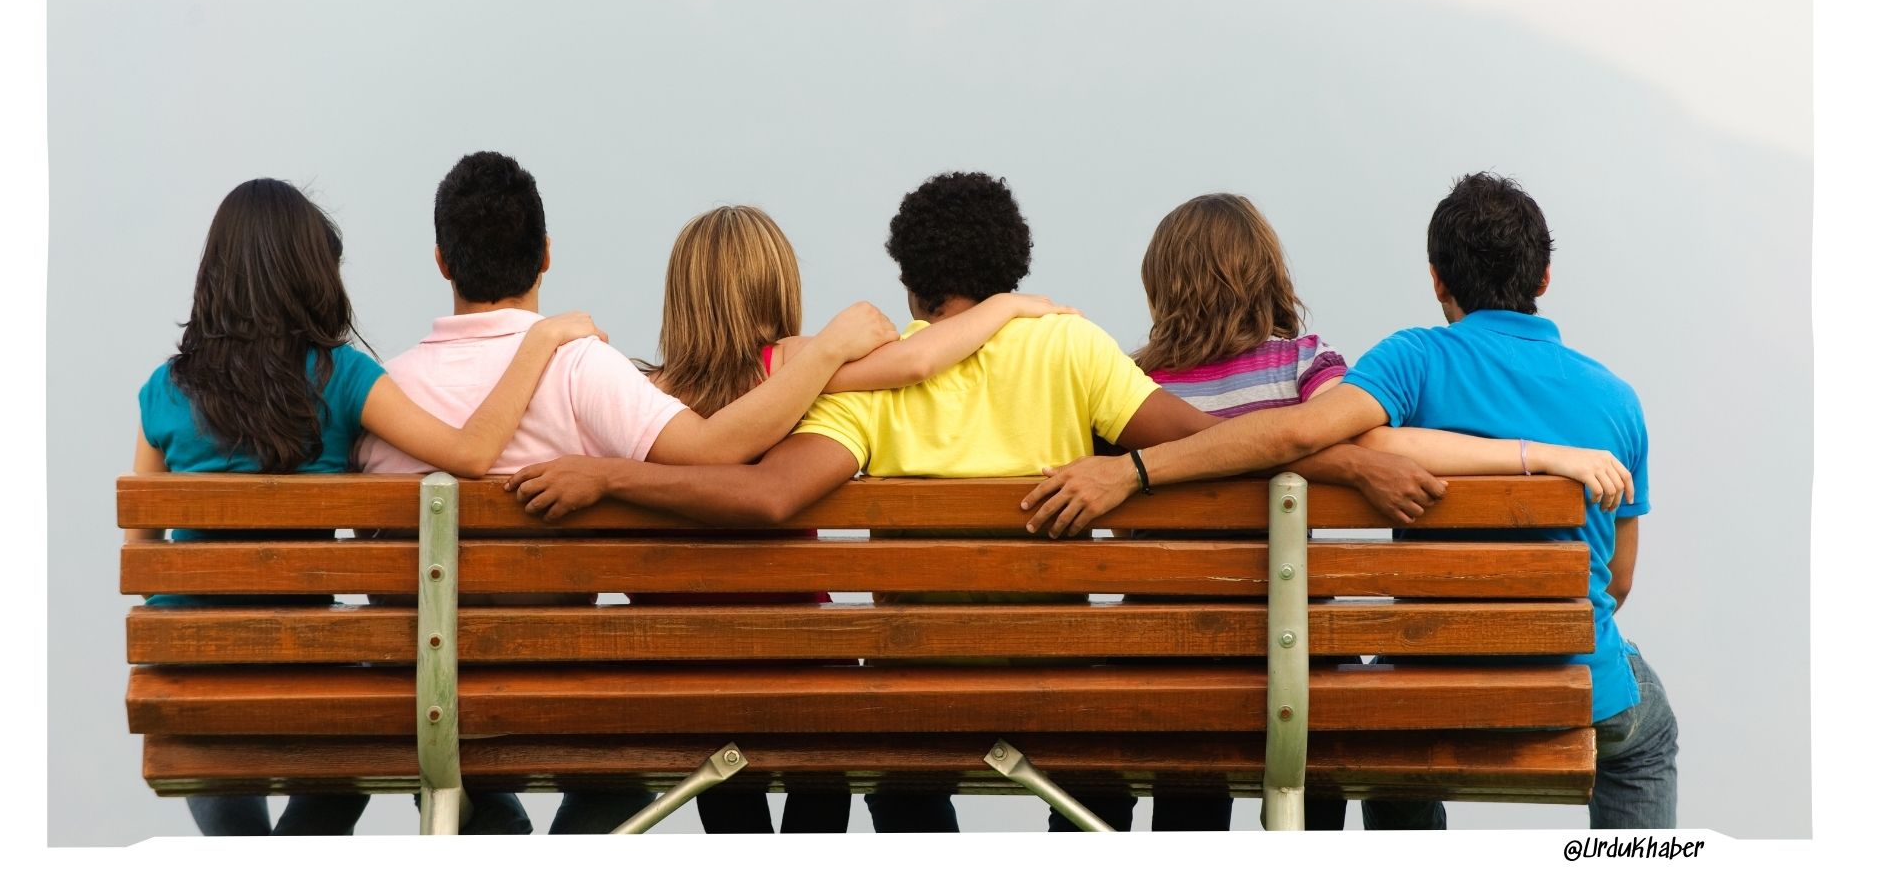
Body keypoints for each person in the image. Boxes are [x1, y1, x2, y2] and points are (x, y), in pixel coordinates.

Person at [504, 171, 1454, 832]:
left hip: (921, 693)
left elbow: (766, 498)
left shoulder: (867, 388)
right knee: (1104, 759)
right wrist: (1354, 464)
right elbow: (1208, 445)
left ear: (912, 286)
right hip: (1063, 692)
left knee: (900, 759)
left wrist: (608, 475)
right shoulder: (1076, 350)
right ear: (1016, 267)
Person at [1023, 173, 1670, 830]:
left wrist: (1137, 471)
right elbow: (1616, 583)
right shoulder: (1617, 400)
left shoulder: (1409, 362)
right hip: (1556, 678)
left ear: (1438, 279)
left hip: (1250, 665)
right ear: (1545, 278)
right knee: (1649, 735)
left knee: (1385, 736)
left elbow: (1312, 435)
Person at [352, 155, 900, 833]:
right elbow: (713, 455)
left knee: (675, 748)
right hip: (724, 680)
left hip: (448, 697)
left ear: (441, 260)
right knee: (718, 756)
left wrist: (608, 473)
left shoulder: (385, 395)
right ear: (546, 254)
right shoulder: (599, 378)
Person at [132, 177, 603, 836]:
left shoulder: (163, 390)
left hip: (190, 673)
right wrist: (541, 341)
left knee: (230, 795)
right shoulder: (341, 378)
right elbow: (470, 455)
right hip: (312, 670)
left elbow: (143, 546)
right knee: (382, 701)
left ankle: (244, 861)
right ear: (311, 273)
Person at [628, 203, 1074, 833]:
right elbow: (918, 361)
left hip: (681, 672)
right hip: (803, 667)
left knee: (726, 768)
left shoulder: (642, 395)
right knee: (824, 755)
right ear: (779, 285)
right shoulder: (795, 369)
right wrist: (1005, 306)